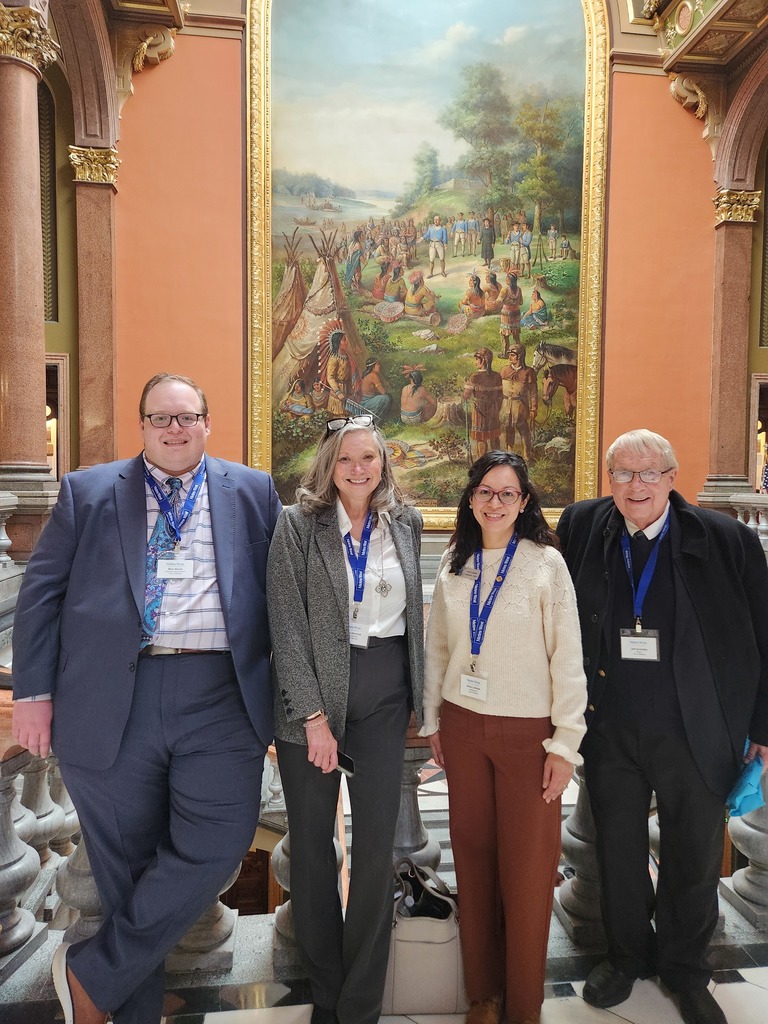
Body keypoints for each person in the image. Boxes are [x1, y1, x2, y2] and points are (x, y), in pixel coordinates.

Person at [11, 372, 280, 1024]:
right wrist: (33, 694)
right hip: (113, 698)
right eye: (161, 418)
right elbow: (40, 596)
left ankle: (90, 979)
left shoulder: (251, 491)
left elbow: (280, 596)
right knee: (126, 866)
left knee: (221, 839)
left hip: (220, 695)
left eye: (187, 417)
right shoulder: (89, 492)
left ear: (207, 423)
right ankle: (122, 1008)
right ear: (143, 427)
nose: (175, 429)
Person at [556, 429, 768, 1024]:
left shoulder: (726, 540)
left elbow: (765, 635)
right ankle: (626, 959)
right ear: (609, 480)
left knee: (692, 857)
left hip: (698, 731)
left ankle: (685, 969)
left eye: (650, 474)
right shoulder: (582, 526)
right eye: (623, 473)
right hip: (610, 731)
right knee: (616, 852)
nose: (636, 485)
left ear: (673, 478)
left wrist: (763, 726)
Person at [267, 414, 424, 1024]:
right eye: (346, 459)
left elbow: (416, 618)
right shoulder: (296, 526)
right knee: (310, 847)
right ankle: (325, 992)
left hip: (385, 693)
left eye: (370, 458)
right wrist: (312, 719)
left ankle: (360, 1002)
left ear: (383, 462)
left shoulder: (404, 522)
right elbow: (286, 626)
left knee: (377, 846)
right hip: (313, 696)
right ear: (327, 466)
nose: (360, 469)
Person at [422, 450, 587, 1024]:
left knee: (528, 866)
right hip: (463, 726)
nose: (496, 502)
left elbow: (568, 656)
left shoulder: (546, 563)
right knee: (472, 857)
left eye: (508, 493)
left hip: (528, 735)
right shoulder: (454, 559)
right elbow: (437, 648)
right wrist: (433, 721)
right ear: (470, 498)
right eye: (486, 491)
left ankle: (524, 1004)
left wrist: (565, 743)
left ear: (524, 502)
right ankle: (483, 995)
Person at [500, 344, 538, 463]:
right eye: (509, 355)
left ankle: (526, 455)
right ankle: (509, 453)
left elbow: (533, 392)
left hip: (520, 404)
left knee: (523, 429)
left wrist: (533, 408)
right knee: (508, 428)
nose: (510, 358)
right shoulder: (504, 370)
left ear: (520, 356)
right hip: (506, 404)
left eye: (512, 355)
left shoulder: (529, 372)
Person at [463, 348, 503, 459]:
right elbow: (500, 395)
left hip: (479, 409)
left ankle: (482, 460)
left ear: (483, 361)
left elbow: (466, 396)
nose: (475, 362)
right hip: (494, 408)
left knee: (481, 437)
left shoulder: (474, 376)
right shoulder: (497, 376)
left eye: (477, 359)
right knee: (494, 435)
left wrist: (466, 385)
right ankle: (497, 459)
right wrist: (497, 407)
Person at [499, 272, 523, 357]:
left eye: (507, 278)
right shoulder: (519, 289)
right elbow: (521, 302)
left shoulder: (504, 290)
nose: (505, 279)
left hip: (506, 314)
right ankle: (519, 351)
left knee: (505, 334)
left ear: (510, 280)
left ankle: (505, 353)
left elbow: (499, 301)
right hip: (516, 313)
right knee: (516, 333)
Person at [422, 214, 448, 279]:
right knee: (431, 260)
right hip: (432, 245)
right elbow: (427, 234)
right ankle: (431, 273)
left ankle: (442, 271)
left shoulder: (443, 229)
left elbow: (445, 237)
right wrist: (422, 238)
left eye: (437, 220)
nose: (436, 221)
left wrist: (445, 244)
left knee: (442, 259)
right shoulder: (430, 228)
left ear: (440, 221)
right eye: (435, 220)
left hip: (439, 244)